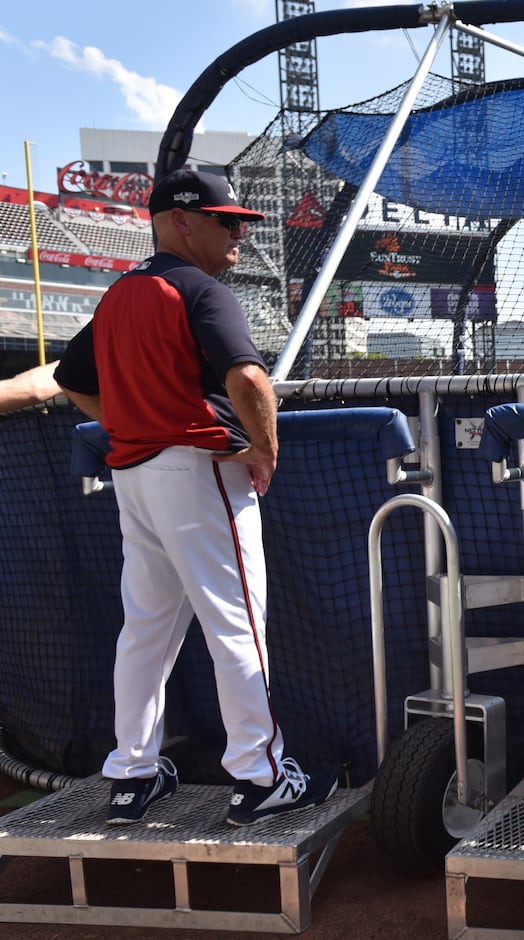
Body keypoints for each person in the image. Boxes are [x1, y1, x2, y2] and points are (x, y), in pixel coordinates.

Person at [55, 168, 337, 827]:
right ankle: (261, 777)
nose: (238, 231)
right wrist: (262, 451)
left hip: (135, 475)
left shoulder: (119, 295)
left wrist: (129, 425)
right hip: (200, 471)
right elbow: (250, 382)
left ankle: (131, 774)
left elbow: (74, 380)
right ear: (181, 221)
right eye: (224, 219)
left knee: (146, 632)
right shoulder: (197, 289)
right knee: (235, 627)